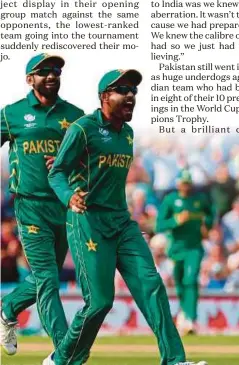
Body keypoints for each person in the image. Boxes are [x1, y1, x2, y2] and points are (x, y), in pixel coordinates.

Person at [46, 69, 203, 365]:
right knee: (100, 303)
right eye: (122, 90)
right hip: (88, 223)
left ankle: (175, 360)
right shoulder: (82, 129)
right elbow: (57, 173)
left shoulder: (127, 133)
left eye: (133, 90)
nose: (130, 95)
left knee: (152, 286)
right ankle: (61, 359)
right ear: (104, 97)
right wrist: (70, 196)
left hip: (122, 223)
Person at [0, 53, 85, 356]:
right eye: (44, 71)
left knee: (42, 278)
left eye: (56, 71)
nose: (52, 75)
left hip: (64, 206)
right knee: (48, 279)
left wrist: (69, 160)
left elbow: (92, 159)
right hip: (30, 205)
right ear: (29, 79)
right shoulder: (12, 113)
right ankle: (66, 351)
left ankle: (8, 306)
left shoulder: (76, 116)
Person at [155, 169, 214, 335]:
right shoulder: (170, 200)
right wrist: (176, 220)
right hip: (176, 249)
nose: (186, 187)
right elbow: (159, 225)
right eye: (183, 184)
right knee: (180, 284)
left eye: (188, 184)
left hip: (194, 247)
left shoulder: (199, 200)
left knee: (191, 279)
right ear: (178, 184)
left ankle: (191, 318)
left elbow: (210, 214)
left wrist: (206, 226)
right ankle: (184, 314)